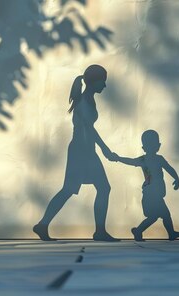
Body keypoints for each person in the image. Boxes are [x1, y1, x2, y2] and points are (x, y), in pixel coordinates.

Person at [33, 64, 119, 241]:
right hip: (82, 151)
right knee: (77, 189)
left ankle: (44, 225)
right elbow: (89, 128)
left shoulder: (87, 98)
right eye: (103, 81)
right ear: (95, 81)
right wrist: (105, 149)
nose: (105, 85)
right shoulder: (84, 101)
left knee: (96, 188)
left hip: (84, 150)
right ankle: (98, 231)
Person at [113, 129, 179, 241]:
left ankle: (143, 231)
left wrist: (177, 178)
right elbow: (131, 161)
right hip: (151, 194)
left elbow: (169, 169)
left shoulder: (158, 159)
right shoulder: (145, 160)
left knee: (157, 216)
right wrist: (118, 158)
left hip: (154, 193)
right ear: (145, 147)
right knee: (162, 215)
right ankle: (163, 232)